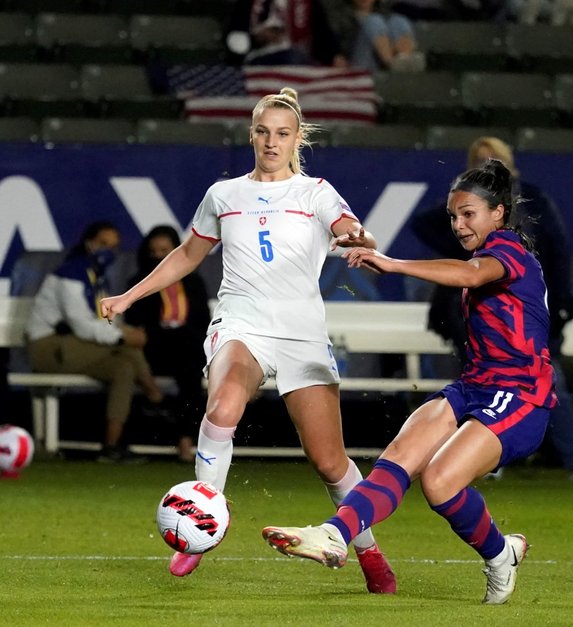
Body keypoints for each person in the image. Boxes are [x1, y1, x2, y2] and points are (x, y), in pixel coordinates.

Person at [100, 88, 396, 594]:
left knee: (329, 461)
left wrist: (355, 238)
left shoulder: (316, 192)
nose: (271, 141)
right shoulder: (225, 195)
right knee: (222, 407)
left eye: (282, 133)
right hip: (241, 322)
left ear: (297, 138)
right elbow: (188, 255)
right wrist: (130, 295)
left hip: (301, 333)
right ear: (251, 134)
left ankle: (369, 552)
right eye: (263, 131)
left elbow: (348, 226)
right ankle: (200, 530)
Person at [260, 159, 555, 604]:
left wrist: (392, 264)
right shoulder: (484, 254)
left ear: (498, 213)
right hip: (475, 385)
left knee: (438, 482)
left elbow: (471, 275)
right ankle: (334, 534)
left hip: (521, 396)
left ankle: (500, 555)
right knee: (400, 455)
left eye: (468, 214)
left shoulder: (509, 249)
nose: (458, 225)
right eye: (453, 216)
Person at [411, 136, 573, 484]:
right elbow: (425, 225)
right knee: (480, 386)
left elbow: (557, 251)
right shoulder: (465, 211)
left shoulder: (531, 201)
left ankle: (568, 459)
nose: (460, 224)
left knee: (551, 385)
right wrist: (460, 240)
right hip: (477, 320)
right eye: (480, 161)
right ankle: (486, 458)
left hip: (523, 319)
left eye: (494, 160)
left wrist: (560, 305)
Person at [25, 221, 167, 463]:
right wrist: (122, 335)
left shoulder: (96, 277)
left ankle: (111, 447)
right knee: (126, 347)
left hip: (74, 346)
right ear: (88, 243)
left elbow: (104, 320)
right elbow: (81, 324)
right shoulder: (71, 273)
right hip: (47, 347)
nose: (107, 251)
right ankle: (155, 396)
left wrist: (123, 331)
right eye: (103, 244)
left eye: (113, 247)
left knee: (124, 368)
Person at [123, 225, 212, 463]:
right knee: (186, 348)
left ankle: (186, 440)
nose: (159, 257)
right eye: (154, 252)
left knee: (191, 373)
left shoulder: (193, 283)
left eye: (165, 250)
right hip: (155, 351)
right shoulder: (138, 283)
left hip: (187, 352)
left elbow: (203, 320)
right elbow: (135, 323)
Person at [324, 0, 423, 73]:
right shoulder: (339, 14)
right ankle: (393, 65)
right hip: (355, 63)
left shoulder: (384, 12)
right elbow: (335, 43)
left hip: (381, 62)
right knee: (374, 21)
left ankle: (405, 60)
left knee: (399, 20)